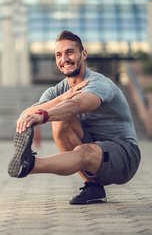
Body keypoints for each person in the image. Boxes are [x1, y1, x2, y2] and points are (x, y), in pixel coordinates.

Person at [8, 30, 141, 205]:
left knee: (76, 136)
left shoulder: (98, 83)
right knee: (61, 120)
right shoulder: (59, 90)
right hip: (93, 147)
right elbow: (27, 114)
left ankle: (30, 165)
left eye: (70, 52)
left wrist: (44, 115)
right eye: (59, 55)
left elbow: (76, 105)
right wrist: (63, 97)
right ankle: (93, 187)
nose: (64, 59)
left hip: (124, 156)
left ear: (83, 54)